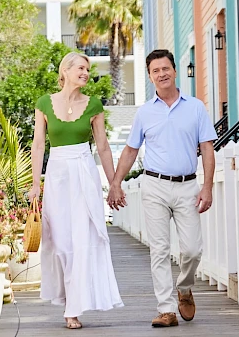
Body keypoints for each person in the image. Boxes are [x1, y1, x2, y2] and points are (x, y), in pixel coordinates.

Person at [108, 49, 217, 328]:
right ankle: (166, 309)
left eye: (165, 68)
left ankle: (184, 287)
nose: (162, 74)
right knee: (158, 248)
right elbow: (131, 151)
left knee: (192, 249)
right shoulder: (145, 112)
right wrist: (116, 183)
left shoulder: (195, 107)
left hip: (187, 185)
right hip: (154, 184)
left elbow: (207, 148)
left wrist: (207, 186)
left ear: (174, 71)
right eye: (155, 71)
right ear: (150, 76)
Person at [28, 52, 123, 330]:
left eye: (87, 68)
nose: (85, 72)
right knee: (60, 242)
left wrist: (114, 183)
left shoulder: (93, 105)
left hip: (84, 172)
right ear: (66, 71)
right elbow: (38, 146)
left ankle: (73, 309)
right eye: (81, 68)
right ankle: (68, 296)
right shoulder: (45, 103)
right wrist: (36, 184)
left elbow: (103, 147)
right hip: (57, 175)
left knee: (82, 238)